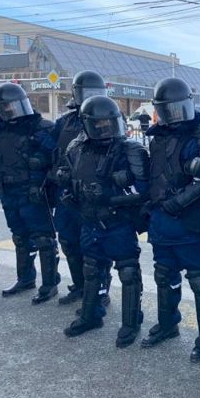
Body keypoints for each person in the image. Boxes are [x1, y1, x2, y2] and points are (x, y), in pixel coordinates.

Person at [140, 77, 200, 362]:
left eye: (176, 108)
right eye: (167, 110)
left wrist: (180, 201)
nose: (173, 115)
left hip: (192, 221)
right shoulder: (157, 136)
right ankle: (168, 324)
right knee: (164, 275)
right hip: (161, 221)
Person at [61, 95, 149, 348]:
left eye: (109, 123)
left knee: (128, 272)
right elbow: (70, 179)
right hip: (89, 221)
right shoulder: (77, 148)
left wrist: (111, 196)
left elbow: (145, 193)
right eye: (98, 124)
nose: (105, 129)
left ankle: (131, 322)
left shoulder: (131, 150)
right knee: (91, 269)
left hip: (118, 222)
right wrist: (68, 188)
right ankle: (91, 315)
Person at [0, 83, 60, 304]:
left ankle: (50, 284)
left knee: (44, 239)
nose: (10, 110)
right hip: (8, 190)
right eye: (5, 106)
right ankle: (26, 278)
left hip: (33, 191)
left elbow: (57, 159)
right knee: (20, 237)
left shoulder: (41, 127)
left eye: (13, 105)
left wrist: (42, 179)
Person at [52, 70, 111, 307]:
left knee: (96, 247)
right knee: (68, 241)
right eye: (87, 93)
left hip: (93, 193)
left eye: (96, 92)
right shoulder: (64, 122)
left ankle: (100, 290)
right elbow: (52, 152)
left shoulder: (107, 117)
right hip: (66, 193)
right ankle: (80, 286)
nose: (91, 97)